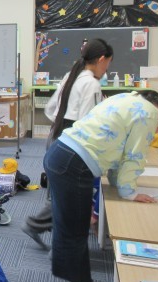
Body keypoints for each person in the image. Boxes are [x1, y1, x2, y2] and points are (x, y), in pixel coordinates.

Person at [45, 91, 158, 282]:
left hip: (62, 153)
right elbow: (134, 156)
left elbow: (119, 151)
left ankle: (76, 279)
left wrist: (118, 184)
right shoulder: (149, 114)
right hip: (73, 162)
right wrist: (129, 192)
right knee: (75, 227)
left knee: (70, 223)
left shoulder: (130, 99)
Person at [22, 38, 113, 250]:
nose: (107, 69)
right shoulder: (91, 83)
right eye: (108, 63)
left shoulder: (72, 75)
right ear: (101, 59)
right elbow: (88, 121)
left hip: (57, 136)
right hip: (72, 143)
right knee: (68, 197)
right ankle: (45, 232)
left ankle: (39, 226)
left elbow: (52, 108)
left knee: (60, 194)